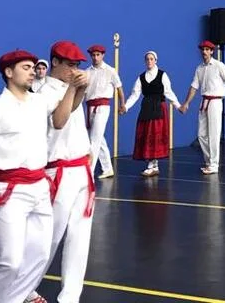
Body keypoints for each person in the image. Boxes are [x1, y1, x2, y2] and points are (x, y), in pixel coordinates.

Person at [0, 49, 87, 303]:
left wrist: (77, 89)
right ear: (9, 72)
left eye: (33, 67)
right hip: (9, 192)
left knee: (40, 254)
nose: (32, 72)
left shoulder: (38, 102)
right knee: (10, 260)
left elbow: (63, 115)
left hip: (40, 188)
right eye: (26, 68)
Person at [26, 42, 94, 303]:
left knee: (80, 238)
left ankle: (70, 297)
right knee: (48, 238)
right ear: (55, 62)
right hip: (58, 173)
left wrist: (81, 87)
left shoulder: (70, 87)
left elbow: (74, 112)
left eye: (77, 65)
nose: (74, 70)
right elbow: (59, 121)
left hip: (81, 169)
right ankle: (24, 288)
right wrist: (76, 88)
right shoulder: (42, 92)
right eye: (69, 65)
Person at [180, 40, 225, 175]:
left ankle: (214, 164)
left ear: (212, 51)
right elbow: (194, 87)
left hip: (216, 102)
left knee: (214, 134)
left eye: (207, 49)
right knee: (201, 135)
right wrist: (186, 103)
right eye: (203, 49)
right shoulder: (199, 68)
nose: (204, 52)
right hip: (204, 101)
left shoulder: (219, 66)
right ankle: (209, 161)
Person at [121, 51, 183, 177]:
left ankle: (152, 166)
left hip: (159, 108)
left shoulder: (162, 75)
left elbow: (168, 92)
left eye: (151, 59)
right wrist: (125, 107)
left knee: (155, 136)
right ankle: (153, 165)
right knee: (146, 135)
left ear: (155, 60)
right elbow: (135, 95)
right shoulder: (141, 77)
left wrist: (178, 106)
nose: (149, 61)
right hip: (146, 108)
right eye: (147, 59)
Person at [82, 43, 125, 180]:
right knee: (99, 138)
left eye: (98, 55)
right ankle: (108, 168)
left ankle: (89, 173)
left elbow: (119, 88)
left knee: (94, 140)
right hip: (89, 107)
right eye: (93, 55)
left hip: (103, 107)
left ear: (103, 55)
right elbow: (83, 93)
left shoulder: (110, 70)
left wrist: (122, 104)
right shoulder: (86, 72)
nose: (95, 57)